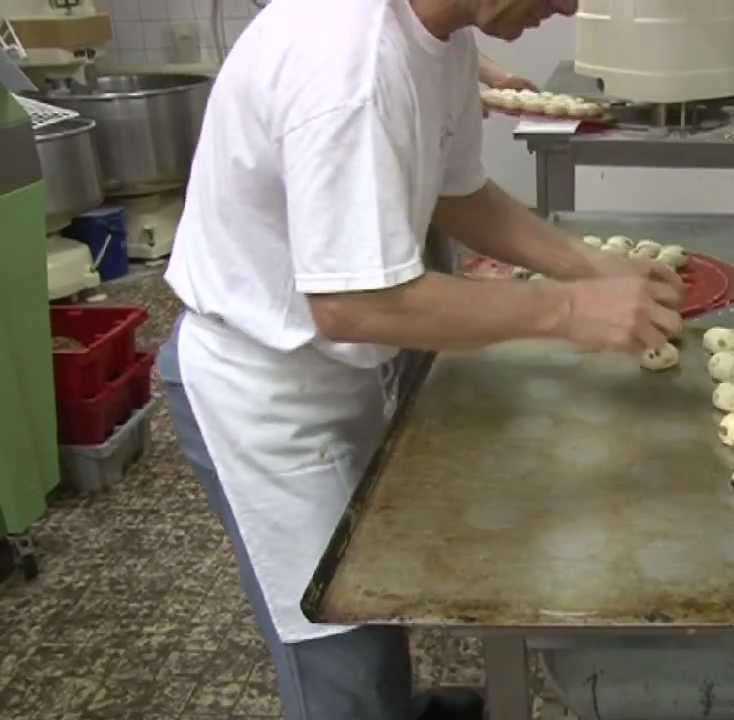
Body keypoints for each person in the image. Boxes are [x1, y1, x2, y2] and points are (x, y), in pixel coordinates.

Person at [159, 0, 682, 718]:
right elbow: (357, 305)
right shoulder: (348, 67)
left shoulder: (439, 35)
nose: (566, 4)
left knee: (373, 609)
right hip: (267, 392)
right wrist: (568, 313)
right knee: (339, 658)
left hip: (340, 370)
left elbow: (457, 192)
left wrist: (585, 267)